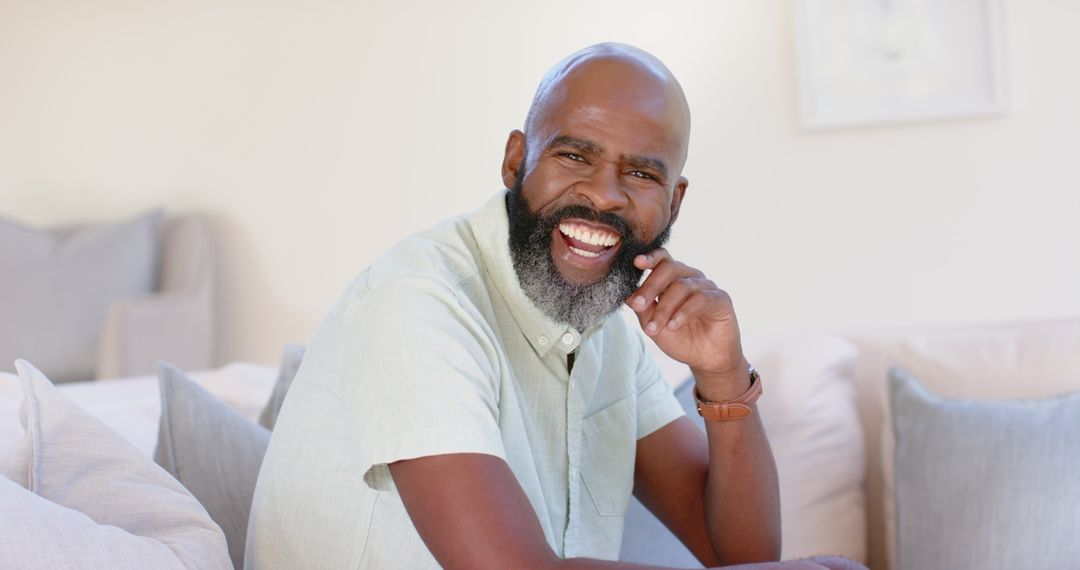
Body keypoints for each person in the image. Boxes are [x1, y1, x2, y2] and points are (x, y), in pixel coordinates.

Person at [246, 43, 865, 570]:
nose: (603, 195)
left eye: (641, 175)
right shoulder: (419, 300)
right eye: (574, 156)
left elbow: (740, 554)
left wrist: (723, 376)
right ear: (517, 160)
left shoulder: (605, 328)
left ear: (673, 203)